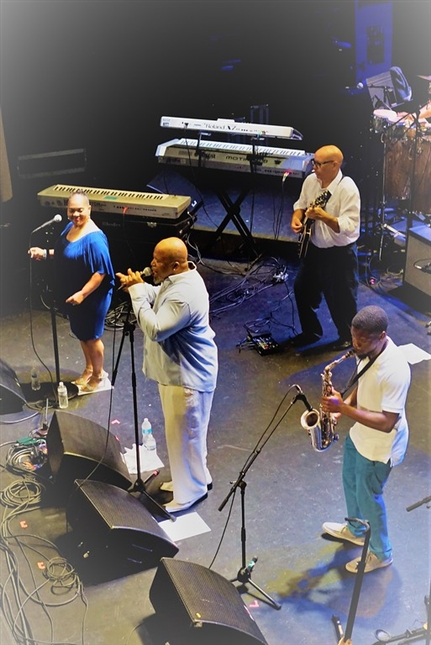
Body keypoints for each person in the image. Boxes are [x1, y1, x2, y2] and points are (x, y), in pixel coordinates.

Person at [116, 237, 218, 514]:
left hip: (187, 378)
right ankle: (196, 478)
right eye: (153, 258)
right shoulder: (178, 280)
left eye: (158, 261)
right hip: (180, 375)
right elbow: (159, 296)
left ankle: (190, 493)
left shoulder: (184, 295)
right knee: (189, 435)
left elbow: (156, 329)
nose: (151, 264)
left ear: (174, 265)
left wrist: (137, 294)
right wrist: (140, 287)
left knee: (185, 437)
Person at [321, 305, 411, 574]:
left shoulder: (395, 370)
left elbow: (387, 422)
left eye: (361, 340)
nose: (355, 344)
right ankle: (356, 530)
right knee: (350, 482)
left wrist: (343, 408)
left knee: (369, 497)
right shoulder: (367, 351)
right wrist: (345, 406)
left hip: (380, 447)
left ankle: (382, 554)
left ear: (382, 336)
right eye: (353, 337)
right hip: (360, 434)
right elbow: (364, 383)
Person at [29, 190, 115, 392]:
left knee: (91, 337)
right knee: (82, 334)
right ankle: (89, 369)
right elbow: (65, 253)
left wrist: (82, 294)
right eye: (71, 210)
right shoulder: (71, 227)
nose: (75, 215)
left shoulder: (95, 240)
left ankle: (99, 376)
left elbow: (100, 273)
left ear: (89, 209)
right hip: (74, 293)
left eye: (80, 210)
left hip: (91, 296)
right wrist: (44, 253)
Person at [290, 144, 361, 350]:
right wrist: (296, 218)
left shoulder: (347, 188)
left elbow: (349, 226)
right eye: (314, 162)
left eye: (320, 164)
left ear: (335, 165)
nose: (314, 167)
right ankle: (311, 331)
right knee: (302, 289)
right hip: (315, 248)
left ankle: (347, 337)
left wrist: (324, 216)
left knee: (341, 297)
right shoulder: (311, 181)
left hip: (339, 253)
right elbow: (301, 204)